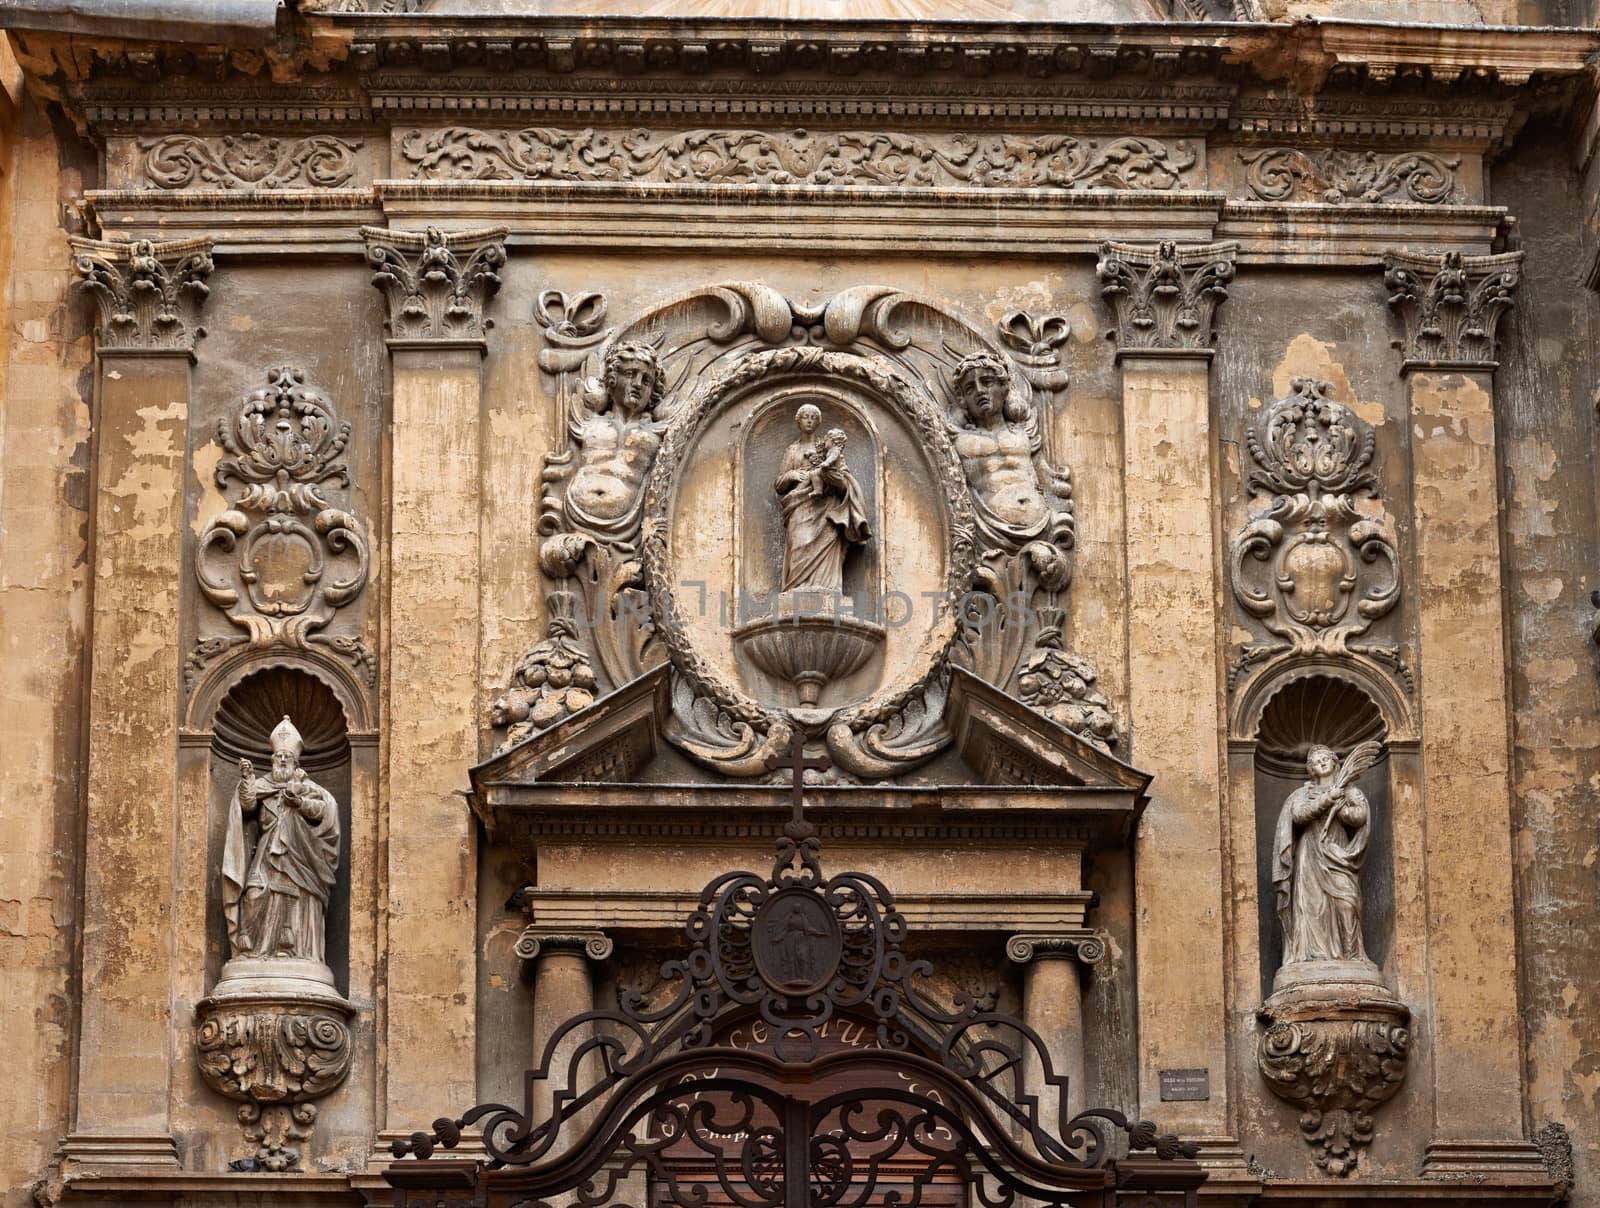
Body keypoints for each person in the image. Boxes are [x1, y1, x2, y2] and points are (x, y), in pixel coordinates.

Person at [222, 715, 341, 964]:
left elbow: (325, 811)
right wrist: (247, 779)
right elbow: (247, 805)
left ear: (296, 763)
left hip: (300, 857)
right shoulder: (263, 785)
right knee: (253, 895)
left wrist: (299, 801)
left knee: (293, 900)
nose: (283, 760)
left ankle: (295, 949)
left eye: (287, 758)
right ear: (273, 760)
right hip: (267, 853)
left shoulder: (308, 787)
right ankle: (252, 950)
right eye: (279, 757)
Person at [1272, 744, 1371, 965]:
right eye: (1316, 761)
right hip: (1310, 852)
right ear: (1311, 769)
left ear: (1335, 761)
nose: (1322, 763)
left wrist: (1342, 808)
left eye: (1325, 758)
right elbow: (1299, 815)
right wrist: (1328, 799)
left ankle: (1351, 954)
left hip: (1337, 850)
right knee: (1312, 906)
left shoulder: (1350, 790)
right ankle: (1313, 956)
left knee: (1347, 900)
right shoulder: (1302, 793)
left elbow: (1360, 816)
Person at [564, 341, 664, 539]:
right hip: (575, 511)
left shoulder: (655, 434)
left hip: (625, 522)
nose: (637, 384)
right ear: (612, 378)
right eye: (630, 374)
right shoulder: (590, 423)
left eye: (646, 381)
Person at [773, 406, 870, 594]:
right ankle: (797, 587)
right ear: (798, 421)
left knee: (827, 546)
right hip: (800, 506)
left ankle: (827, 590)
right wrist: (792, 475)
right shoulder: (792, 451)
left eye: (813, 418)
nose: (809, 420)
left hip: (826, 508)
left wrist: (832, 479)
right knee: (800, 542)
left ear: (818, 422)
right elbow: (779, 485)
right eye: (805, 417)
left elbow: (843, 478)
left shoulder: (828, 446)